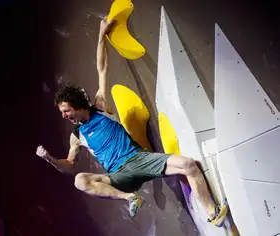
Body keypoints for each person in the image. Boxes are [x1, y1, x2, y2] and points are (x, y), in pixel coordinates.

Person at [36, 17, 228, 226]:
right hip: (119, 176)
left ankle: (214, 215)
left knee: (188, 165)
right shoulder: (78, 136)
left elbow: (102, 68)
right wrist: (50, 159)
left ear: (76, 105)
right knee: (79, 180)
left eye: (66, 111)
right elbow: (70, 166)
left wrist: (101, 36)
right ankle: (130, 198)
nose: (64, 116)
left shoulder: (100, 107)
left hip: (138, 160)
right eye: (62, 113)